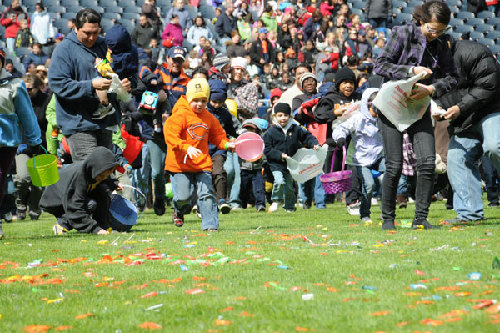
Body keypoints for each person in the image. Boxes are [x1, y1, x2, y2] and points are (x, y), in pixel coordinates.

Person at [374, 1, 458, 230]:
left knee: (428, 162)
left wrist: (431, 89)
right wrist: (411, 71)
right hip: (391, 105)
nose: (436, 35)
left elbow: (453, 77)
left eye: (441, 30)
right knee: (394, 165)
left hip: (419, 107)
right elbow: (380, 65)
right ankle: (388, 220)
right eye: (432, 29)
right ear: (420, 21)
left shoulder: (440, 44)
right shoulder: (401, 34)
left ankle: (420, 218)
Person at [48, 9, 131, 162]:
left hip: (104, 122)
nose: (91, 37)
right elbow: (58, 84)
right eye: (86, 33)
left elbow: (113, 72)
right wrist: (91, 85)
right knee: (89, 173)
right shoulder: (63, 50)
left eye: (95, 32)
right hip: (78, 123)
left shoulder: (102, 45)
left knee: (104, 172)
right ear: (76, 28)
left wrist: (121, 85)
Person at [438, 39, 500, 224]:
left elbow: (489, 84)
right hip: (464, 119)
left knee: (494, 146)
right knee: (456, 159)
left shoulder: (473, 51)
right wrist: (438, 108)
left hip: (492, 109)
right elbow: (439, 94)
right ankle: (469, 214)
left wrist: (459, 107)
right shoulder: (430, 65)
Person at [163, 78, 236, 230]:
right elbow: (170, 134)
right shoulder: (180, 115)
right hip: (180, 165)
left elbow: (218, 136)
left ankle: (210, 226)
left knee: (206, 194)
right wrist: (185, 147)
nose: (200, 104)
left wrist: (227, 144)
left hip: (202, 163)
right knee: (184, 198)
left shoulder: (209, 117)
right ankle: (179, 209)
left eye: (203, 100)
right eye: (196, 100)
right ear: (189, 98)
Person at [0, 47, 43, 239]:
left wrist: (35, 141)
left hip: (6, 142)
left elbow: (27, 115)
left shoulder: (14, 85)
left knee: (0, 177)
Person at [330, 88, 385, 224]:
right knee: (369, 185)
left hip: (379, 155)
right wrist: (340, 138)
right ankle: (364, 213)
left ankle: (387, 211)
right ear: (368, 105)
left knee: (388, 178)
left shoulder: (384, 119)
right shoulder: (358, 118)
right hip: (361, 159)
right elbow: (340, 129)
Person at [40, 147, 119, 235]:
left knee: (103, 192)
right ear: (96, 169)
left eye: (105, 176)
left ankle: (102, 225)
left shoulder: (92, 170)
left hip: (68, 197)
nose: (103, 178)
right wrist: (95, 229)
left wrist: (114, 184)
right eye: (101, 176)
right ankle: (62, 224)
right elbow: (74, 206)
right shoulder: (80, 176)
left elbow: (106, 179)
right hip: (54, 201)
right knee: (90, 204)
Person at [264, 103, 319, 213]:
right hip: (276, 164)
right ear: (274, 116)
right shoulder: (270, 132)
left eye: (285, 115)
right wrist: (280, 155)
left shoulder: (295, 129)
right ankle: (276, 201)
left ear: (290, 116)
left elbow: (307, 136)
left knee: (289, 187)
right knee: (279, 181)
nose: (283, 118)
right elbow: (267, 149)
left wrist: (314, 143)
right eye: (280, 115)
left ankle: (289, 207)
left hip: (290, 163)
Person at [207, 79, 240, 214]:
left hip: (219, 148)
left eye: (220, 102)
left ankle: (222, 200)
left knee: (219, 172)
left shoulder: (225, 114)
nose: (216, 105)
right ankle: (202, 201)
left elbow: (233, 130)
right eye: (214, 101)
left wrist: (237, 137)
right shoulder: (202, 112)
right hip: (203, 148)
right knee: (204, 175)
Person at [239, 119, 266, 212]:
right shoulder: (240, 141)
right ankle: (243, 203)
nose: (249, 131)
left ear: (256, 130)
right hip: (244, 167)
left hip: (256, 168)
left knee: (259, 187)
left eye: (251, 129)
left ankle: (260, 204)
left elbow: (264, 152)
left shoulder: (260, 140)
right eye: (246, 129)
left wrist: (262, 160)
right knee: (243, 188)